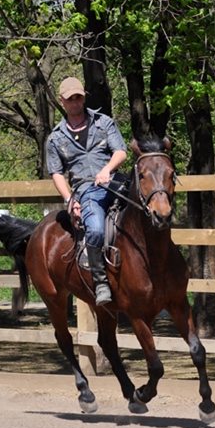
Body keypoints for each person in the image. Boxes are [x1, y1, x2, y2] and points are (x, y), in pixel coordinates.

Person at [46, 77, 128, 306]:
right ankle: (101, 282)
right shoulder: (55, 138)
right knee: (94, 230)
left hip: (115, 181)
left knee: (152, 213)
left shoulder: (104, 123)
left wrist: (107, 170)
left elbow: (121, 152)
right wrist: (69, 199)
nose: (75, 102)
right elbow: (56, 173)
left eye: (78, 97)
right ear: (62, 101)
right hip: (88, 190)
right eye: (70, 98)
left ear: (84, 97)